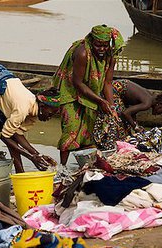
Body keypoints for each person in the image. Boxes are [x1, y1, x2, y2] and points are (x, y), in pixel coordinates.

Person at [0, 62, 61, 173]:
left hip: (5, 80)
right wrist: (31, 157)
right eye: (50, 114)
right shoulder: (22, 108)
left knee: (10, 129)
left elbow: (16, 134)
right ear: (42, 106)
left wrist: (38, 155)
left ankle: (20, 173)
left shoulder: (33, 113)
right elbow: (5, 137)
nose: (49, 118)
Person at [53, 24, 124, 165]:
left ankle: (85, 166)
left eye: (105, 45)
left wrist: (111, 106)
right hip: (70, 91)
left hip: (91, 91)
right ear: (92, 41)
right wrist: (101, 102)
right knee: (71, 130)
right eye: (98, 45)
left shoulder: (111, 56)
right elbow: (78, 83)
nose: (102, 49)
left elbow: (107, 83)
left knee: (89, 132)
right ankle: (62, 167)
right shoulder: (83, 53)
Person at [93, 79, 162, 150]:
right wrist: (135, 127)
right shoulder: (147, 103)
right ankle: (106, 144)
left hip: (118, 90)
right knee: (118, 122)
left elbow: (132, 113)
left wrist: (135, 124)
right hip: (113, 91)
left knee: (127, 126)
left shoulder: (149, 97)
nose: (159, 113)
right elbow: (126, 113)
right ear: (159, 104)